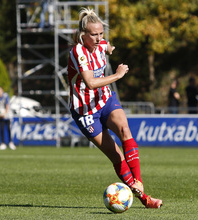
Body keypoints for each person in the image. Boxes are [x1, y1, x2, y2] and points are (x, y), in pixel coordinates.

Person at [67, 8, 162, 208]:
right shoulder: (78, 52)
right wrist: (118, 75)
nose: (98, 38)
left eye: (101, 34)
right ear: (83, 35)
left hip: (105, 100)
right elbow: (91, 83)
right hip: (86, 112)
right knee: (116, 155)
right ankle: (144, 199)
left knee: (125, 130)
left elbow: (106, 47)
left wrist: (109, 48)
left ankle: (139, 183)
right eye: (94, 34)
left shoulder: (100, 44)